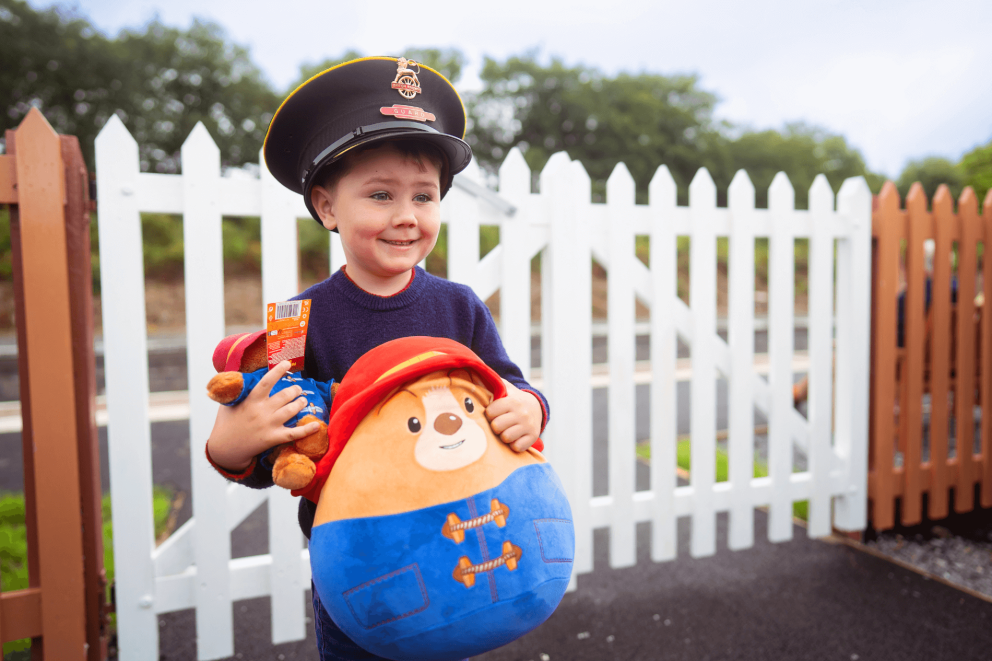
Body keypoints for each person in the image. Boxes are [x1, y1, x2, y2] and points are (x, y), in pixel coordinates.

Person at [204, 56, 549, 661]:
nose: (407, 216)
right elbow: (274, 454)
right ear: (328, 207)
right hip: (359, 560)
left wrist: (530, 409)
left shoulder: (460, 308)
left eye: (425, 195)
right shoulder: (294, 324)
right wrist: (231, 444)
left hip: (460, 539)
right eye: (380, 194)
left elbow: (511, 389)